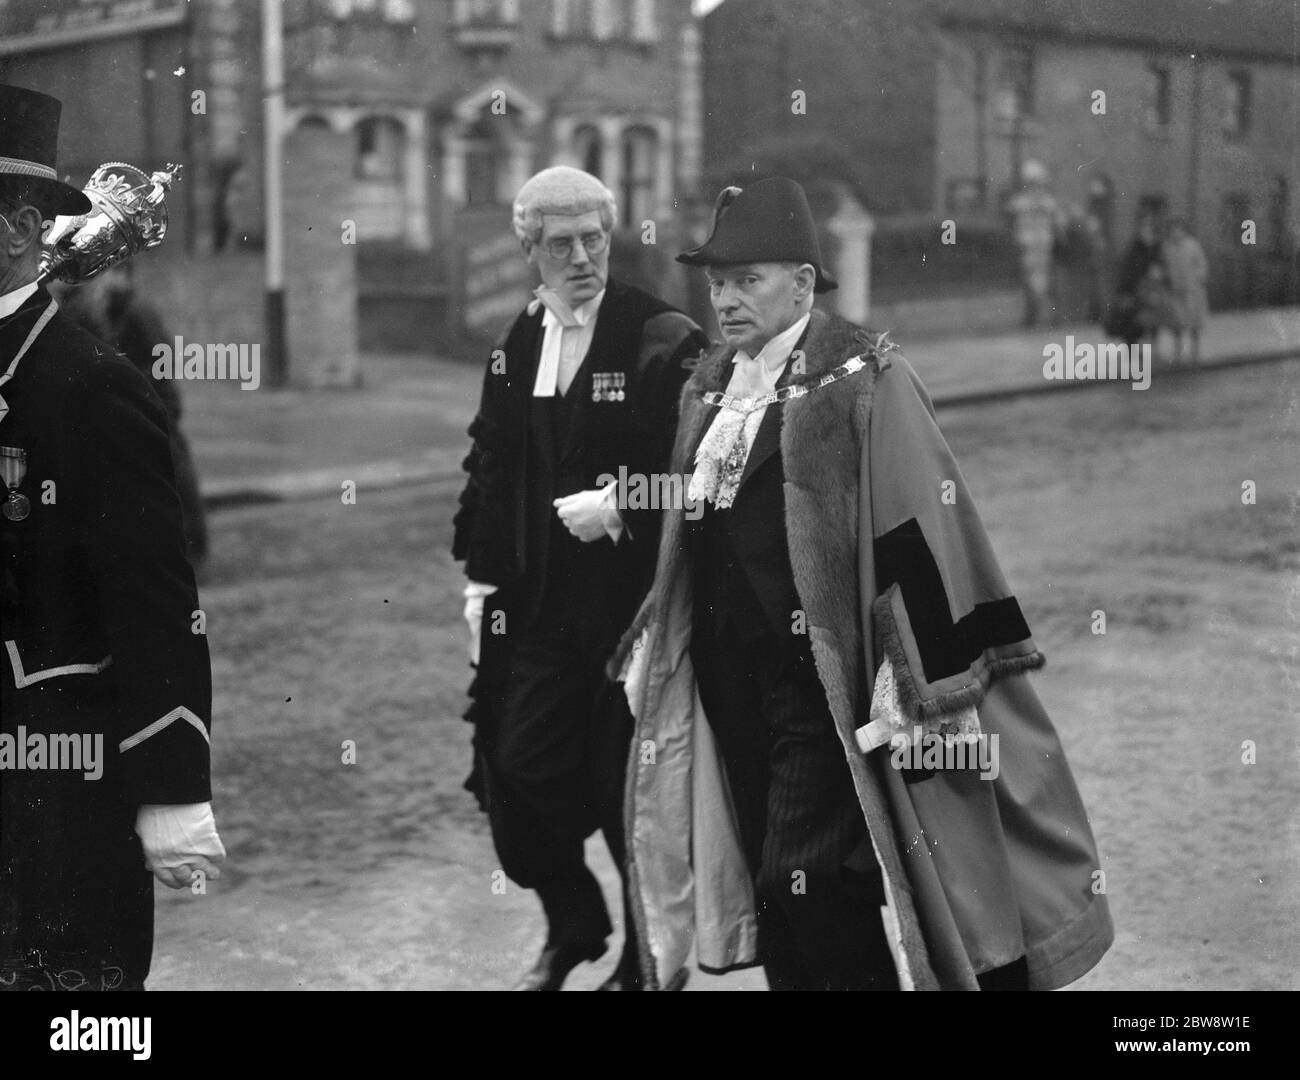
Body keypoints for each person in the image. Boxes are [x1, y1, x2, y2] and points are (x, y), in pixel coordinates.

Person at [612, 177, 1114, 991]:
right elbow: (695, 527)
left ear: (804, 283)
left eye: (748, 280)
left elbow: (924, 528)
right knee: (783, 901)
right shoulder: (710, 387)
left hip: (818, 684)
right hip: (726, 676)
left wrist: (915, 685)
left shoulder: (863, 378)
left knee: (799, 878)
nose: (726, 300)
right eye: (717, 283)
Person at [451, 166, 707, 991]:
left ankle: (644, 958)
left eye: (594, 239)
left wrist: (626, 501)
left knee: (622, 794)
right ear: (530, 250)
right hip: (538, 613)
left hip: (635, 617)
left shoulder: (660, 335)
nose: (582, 257)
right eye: (560, 244)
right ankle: (574, 921)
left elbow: (709, 468)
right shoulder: (518, 343)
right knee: (515, 769)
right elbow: (490, 462)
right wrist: (480, 582)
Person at [0, 85, 225, 991]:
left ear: (20, 227)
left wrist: (173, 792)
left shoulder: (92, 385)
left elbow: (156, 604)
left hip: (62, 790)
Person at [61, 263, 209, 570]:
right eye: (109, 274)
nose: (115, 281)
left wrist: (135, 384)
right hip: (109, 410)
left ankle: (191, 552)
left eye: (120, 274)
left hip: (151, 404)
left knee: (174, 475)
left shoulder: (137, 311)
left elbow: (162, 358)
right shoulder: (83, 310)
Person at [1007, 159, 1061, 328]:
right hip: (1028, 247)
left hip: (1042, 246)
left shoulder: (1047, 203)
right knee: (1031, 282)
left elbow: (1057, 221)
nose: (1035, 187)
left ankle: (1045, 316)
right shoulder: (1021, 202)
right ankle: (1033, 316)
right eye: (1031, 183)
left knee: (1042, 281)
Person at [1109, 212, 1164, 346]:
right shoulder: (1135, 248)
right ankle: (1134, 348)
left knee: (1154, 319)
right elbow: (1128, 269)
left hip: (1153, 289)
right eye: (1144, 227)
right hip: (1136, 290)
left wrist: (1159, 272)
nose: (1146, 231)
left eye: (1149, 228)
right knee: (1134, 320)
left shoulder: (1157, 248)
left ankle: (1153, 348)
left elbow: (1163, 265)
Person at [1162, 218, 1209, 364]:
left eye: (1179, 230)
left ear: (1183, 231)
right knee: (1177, 322)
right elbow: (1163, 266)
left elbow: (1202, 265)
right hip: (1175, 291)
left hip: (1192, 291)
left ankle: (1195, 351)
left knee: (1194, 322)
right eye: (1173, 230)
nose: (1176, 233)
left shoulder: (1192, 245)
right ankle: (1178, 352)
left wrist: (1197, 279)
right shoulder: (1166, 247)